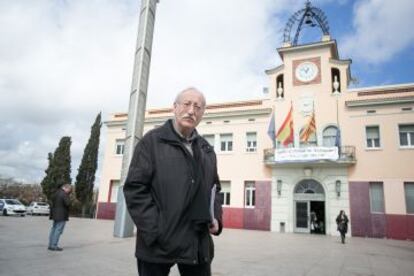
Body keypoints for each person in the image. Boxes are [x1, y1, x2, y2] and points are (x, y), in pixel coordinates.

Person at [124, 87, 223, 276]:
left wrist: (216, 217)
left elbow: (215, 188)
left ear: (202, 114)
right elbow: (135, 189)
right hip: (158, 246)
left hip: (197, 244)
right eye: (186, 104)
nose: (192, 111)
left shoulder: (206, 150)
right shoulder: (151, 142)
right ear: (175, 107)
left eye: (198, 107)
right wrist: (155, 230)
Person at [48, 183, 72, 251]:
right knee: (58, 230)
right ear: (66, 188)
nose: (69, 191)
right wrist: (68, 196)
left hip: (55, 214)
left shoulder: (56, 193)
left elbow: (51, 202)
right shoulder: (64, 194)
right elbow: (68, 203)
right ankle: (54, 245)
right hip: (61, 215)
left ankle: (50, 245)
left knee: (54, 229)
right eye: (69, 190)